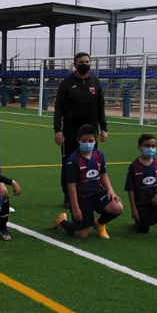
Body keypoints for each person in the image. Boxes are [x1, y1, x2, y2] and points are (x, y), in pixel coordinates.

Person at [53, 52, 107, 208]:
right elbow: (58, 107)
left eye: (87, 61)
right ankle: (68, 196)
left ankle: (90, 192)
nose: (85, 63)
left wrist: (103, 128)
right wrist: (58, 129)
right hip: (70, 130)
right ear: (75, 65)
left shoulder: (95, 82)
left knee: (91, 162)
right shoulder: (67, 83)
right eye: (81, 62)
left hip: (91, 130)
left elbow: (100, 106)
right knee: (69, 162)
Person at [54, 124, 123, 239]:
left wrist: (111, 191)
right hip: (81, 199)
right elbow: (71, 186)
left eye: (90, 140)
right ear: (78, 140)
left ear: (95, 140)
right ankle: (61, 221)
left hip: (97, 194)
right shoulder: (73, 161)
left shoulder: (99, 155)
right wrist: (75, 208)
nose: (87, 143)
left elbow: (103, 175)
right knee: (81, 235)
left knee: (118, 208)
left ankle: (99, 223)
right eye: (84, 140)